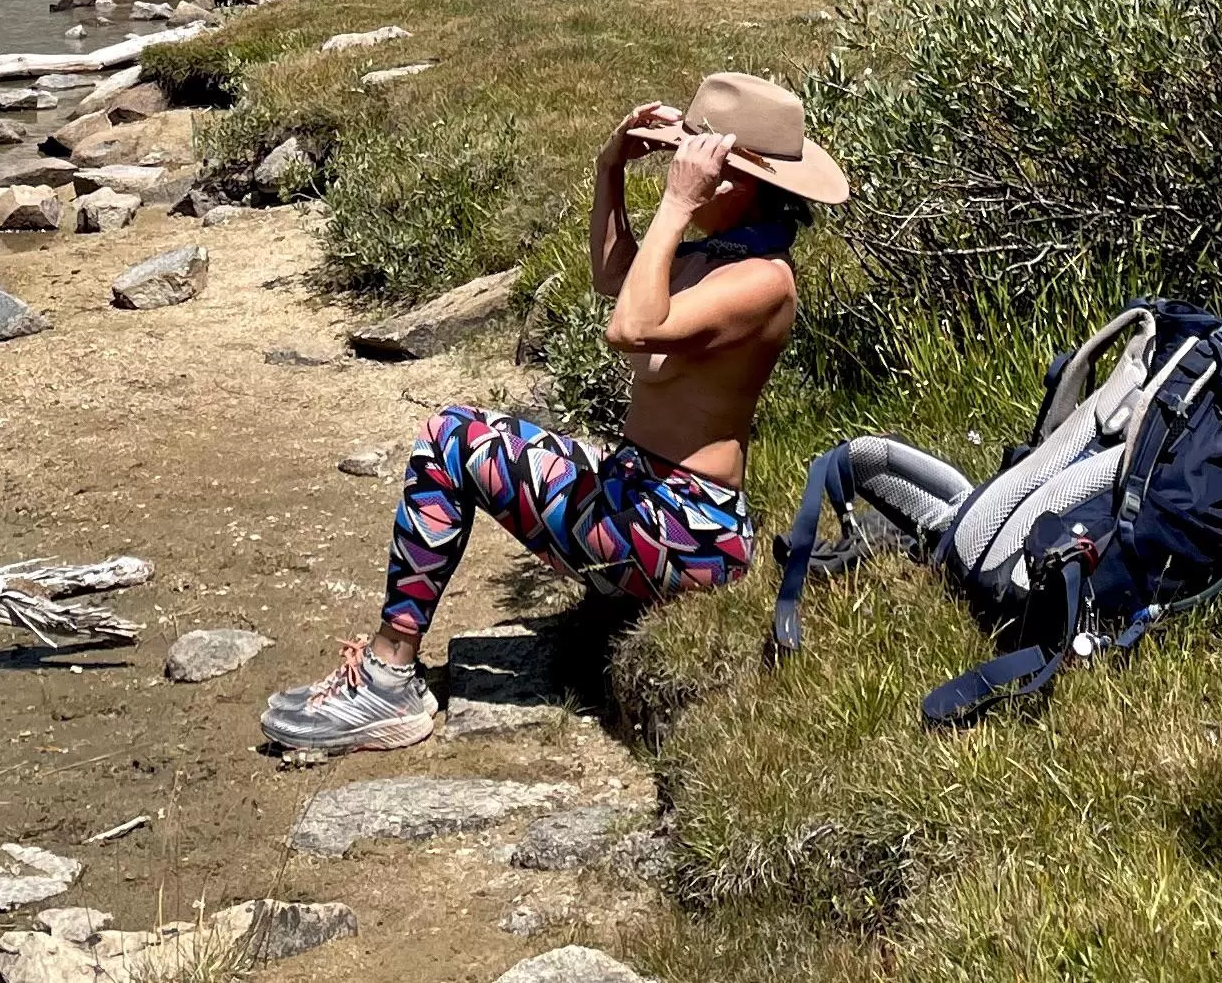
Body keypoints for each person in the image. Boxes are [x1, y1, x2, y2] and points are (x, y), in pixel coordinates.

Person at [258, 69, 850, 754]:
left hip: (686, 532)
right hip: (647, 495)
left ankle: (389, 677)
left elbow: (629, 327)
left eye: (697, 159)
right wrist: (607, 169)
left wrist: (676, 205)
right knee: (459, 433)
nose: (679, 165)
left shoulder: (762, 280)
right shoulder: (719, 254)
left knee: (452, 439)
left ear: (737, 182)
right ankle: (389, 671)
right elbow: (613, 278)